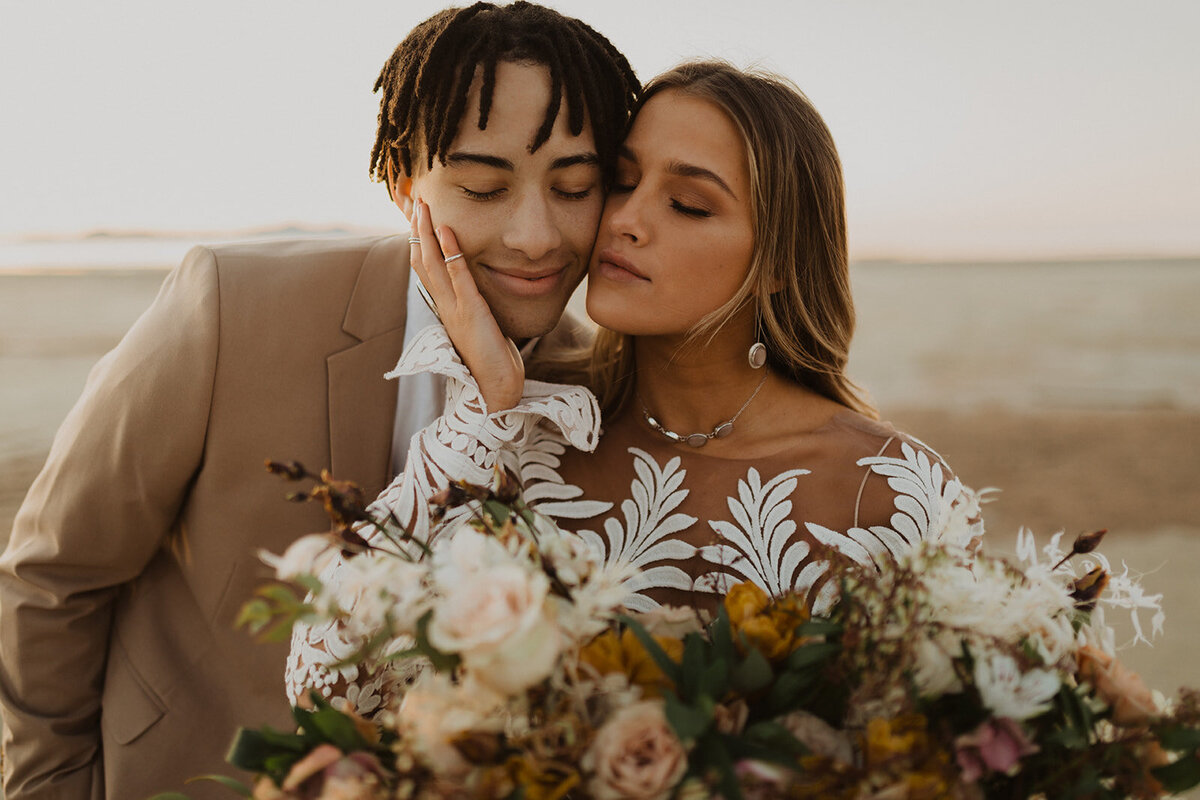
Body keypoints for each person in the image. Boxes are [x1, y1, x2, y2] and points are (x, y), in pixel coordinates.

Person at [0, 4, 638, 797]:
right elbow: (54, 576)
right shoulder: (230, 305)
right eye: (483, 186)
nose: (537, 235)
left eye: (575, 187)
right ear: (407, 188)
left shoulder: (602, 390)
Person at [287, 61, 982, 714]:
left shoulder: (893, 491)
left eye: (686, 203)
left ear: (778, 261)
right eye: (619, 182)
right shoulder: (515, 444)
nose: (625, 220)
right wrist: (487, 405)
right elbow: (330, 691)